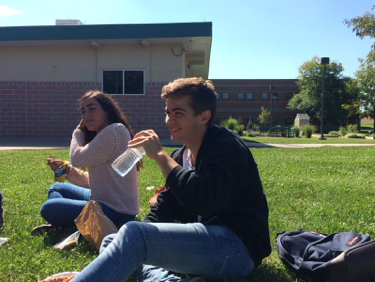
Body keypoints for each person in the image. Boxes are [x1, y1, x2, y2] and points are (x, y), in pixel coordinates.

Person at [70, 77, 271, 282]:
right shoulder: (179, 156)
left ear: (204, 117)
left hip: (238, 251)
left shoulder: (227, 147)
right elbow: (164, 208)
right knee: (114, 240)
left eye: (178, 113)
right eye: (168, 112)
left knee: (132, 236)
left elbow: (203, 201)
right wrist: (139, 239)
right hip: (204, 247)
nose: (169, 120)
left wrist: (159, 156)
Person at [31, 91, 142, 234]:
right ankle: (61, 223)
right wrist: (67, 171)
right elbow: (99, 180)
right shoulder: (106, 133)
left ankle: (61, 221)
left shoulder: (114, 131)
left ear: (106, 111)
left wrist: (77, 132)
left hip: (117, 213)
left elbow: (77, 158)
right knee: (57, 187)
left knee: (48, 208)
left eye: (92, 108)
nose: (85, 115)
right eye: (83, 111)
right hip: (102, 201)